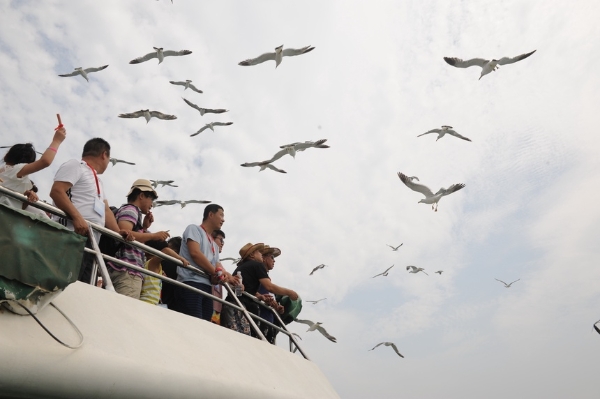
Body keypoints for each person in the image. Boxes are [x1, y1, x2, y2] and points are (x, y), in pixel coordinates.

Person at [50, 138, 131, 284]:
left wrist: (118, 232)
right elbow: (57, 192)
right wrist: (77, 217)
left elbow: (106, 210)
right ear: (104, 154)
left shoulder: (99, 181)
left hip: (91, 242)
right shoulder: (76, 165)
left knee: (81, 286)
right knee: (62, 282)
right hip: (71, 235)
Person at [172, 204, 239, 321]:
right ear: (211, 214)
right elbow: (195, 254)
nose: (223, 219)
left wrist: (227, 277)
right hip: (190, 283)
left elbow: (218, 265)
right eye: (221, 215)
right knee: (191, 325)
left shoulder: (214, 244)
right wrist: (217, 273)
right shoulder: (193, 229)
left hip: (207, 288)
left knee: (204, 328)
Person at [106, 179, 170, 299]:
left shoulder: (132, 211)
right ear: (141, 195)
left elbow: (132, 237)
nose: (152, 204)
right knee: (124, 311)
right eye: (151, 198)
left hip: (124, 270)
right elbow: (124, 233)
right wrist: (154, 235)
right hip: (127, 270)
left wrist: (144, 227)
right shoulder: (131, 209)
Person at [221, 242, 298, 339]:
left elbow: (247, 289)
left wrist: (260, 296)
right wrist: (290, 293)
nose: (261, 254)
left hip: (232, 305)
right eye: (259, 252)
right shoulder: (257, 265)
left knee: (235, 340)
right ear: (252, 255)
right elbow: (269, 287)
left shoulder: (244, 267)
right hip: (240, 308)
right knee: (244, 341)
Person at [0, 125, 66, 217]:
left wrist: (25, 195)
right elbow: (45, 161)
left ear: (7, 155)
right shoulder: (15, 169)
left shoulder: (4, 171)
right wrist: (57, 140)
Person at [139, 239, 191, 305]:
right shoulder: (152, 263)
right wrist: (181, 259)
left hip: (151, 302)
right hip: (148, 301)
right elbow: (166, 250)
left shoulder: (150, 265)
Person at [256, 245, 285, 343]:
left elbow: (268, 294)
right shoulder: (256, 273)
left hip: (268, 320)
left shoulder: (266, 277)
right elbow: (247, 289)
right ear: (263, 258)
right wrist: (290, 293)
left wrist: (277, 307)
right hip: (259, 318)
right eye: (272, 257)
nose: (274, 260)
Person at [210, 229, 226, 324]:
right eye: (221, 240)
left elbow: (225, 274)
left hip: (217, 309)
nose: (222, 243)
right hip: (209, 303)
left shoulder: (218, 262)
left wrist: (233, 280)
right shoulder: (207, 256)